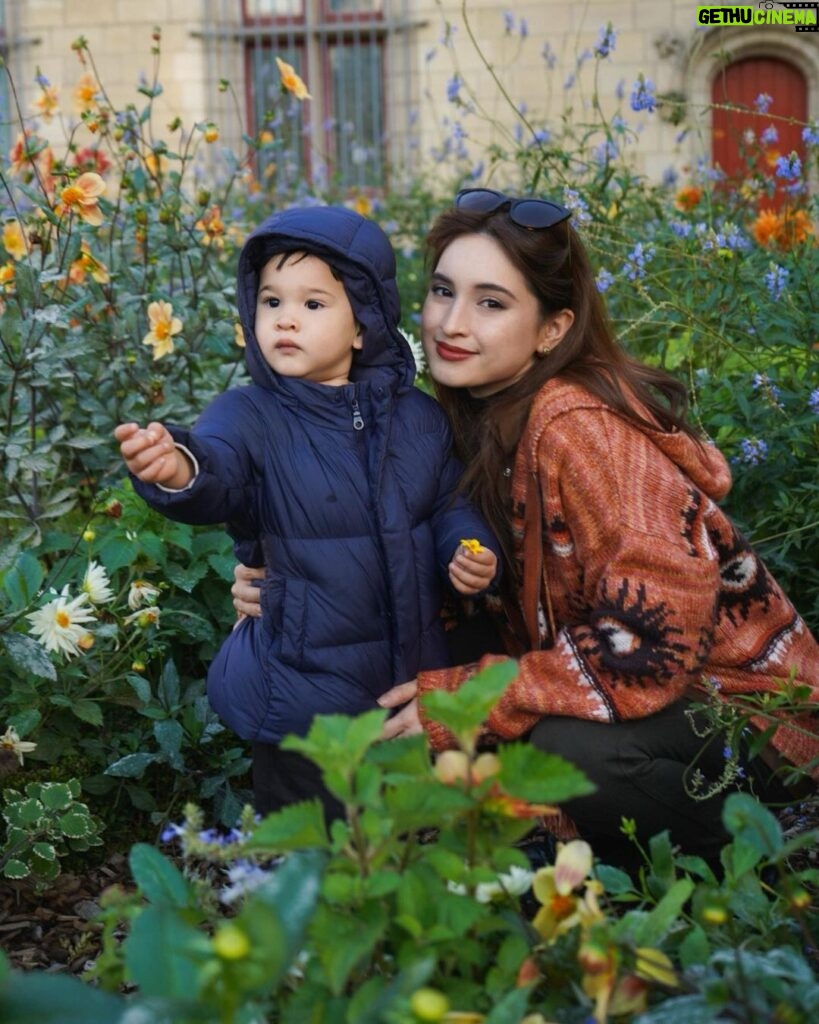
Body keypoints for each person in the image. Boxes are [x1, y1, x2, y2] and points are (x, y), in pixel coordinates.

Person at [231, 189, 819, 874]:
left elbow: (654, 641)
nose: (451, 323)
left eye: (491, 303)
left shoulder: (581, 434)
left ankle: (753, 856)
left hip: (746, 719)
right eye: (442, 291)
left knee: (558, 754)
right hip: (615, 685)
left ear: (550, 329)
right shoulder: (462, 417)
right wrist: (288, 580)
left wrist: (469, 700)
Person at [115, 204, 499, 822]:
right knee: (307, 838)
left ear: (362, 327)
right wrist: (179, 466)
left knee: (400, 831)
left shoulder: (419, 419)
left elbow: (452, 501)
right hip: (299, 685)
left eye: (313, 304)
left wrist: (471, 550)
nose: (286, 319)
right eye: (271, 302)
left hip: (404, 674)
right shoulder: (251, 416)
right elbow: (219, 469)